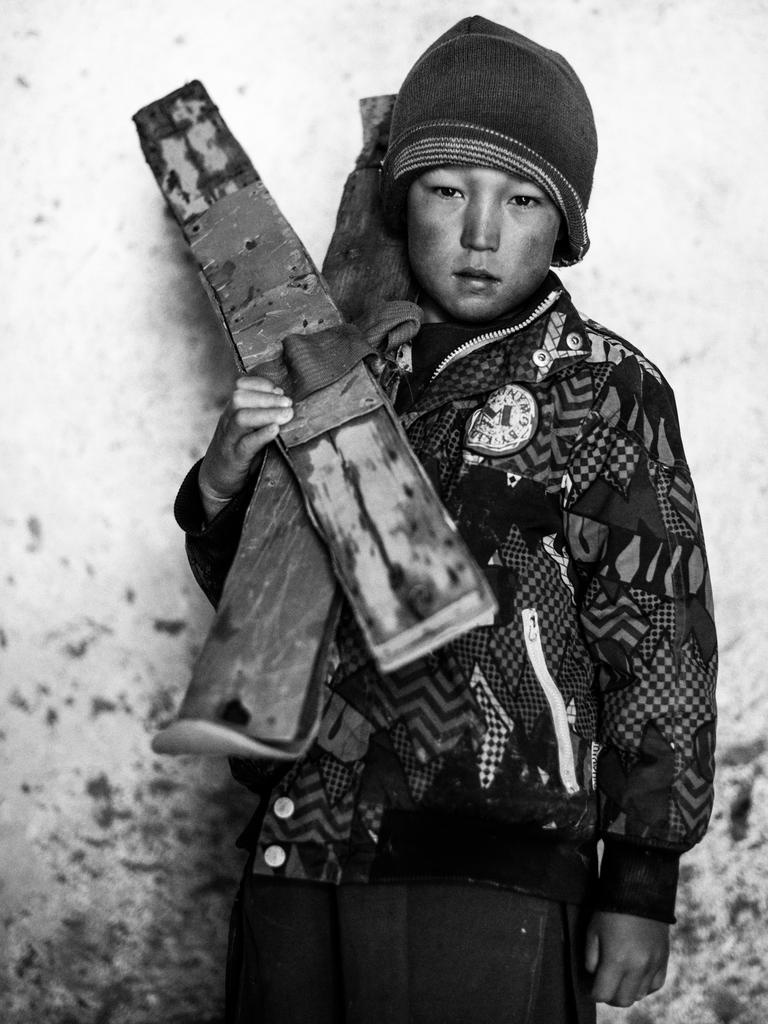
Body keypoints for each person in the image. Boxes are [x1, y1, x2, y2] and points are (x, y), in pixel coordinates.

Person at [174, 16, 717, 1024]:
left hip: (492, 861)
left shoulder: (602, 392)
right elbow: (268, 614)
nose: (480, 232)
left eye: (520, 199)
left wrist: (642, 879)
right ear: (400, 205)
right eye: (445, 190)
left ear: (564, 224)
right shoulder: (340, 373)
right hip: (304, 842)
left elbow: (661, 647)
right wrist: (222, 482)